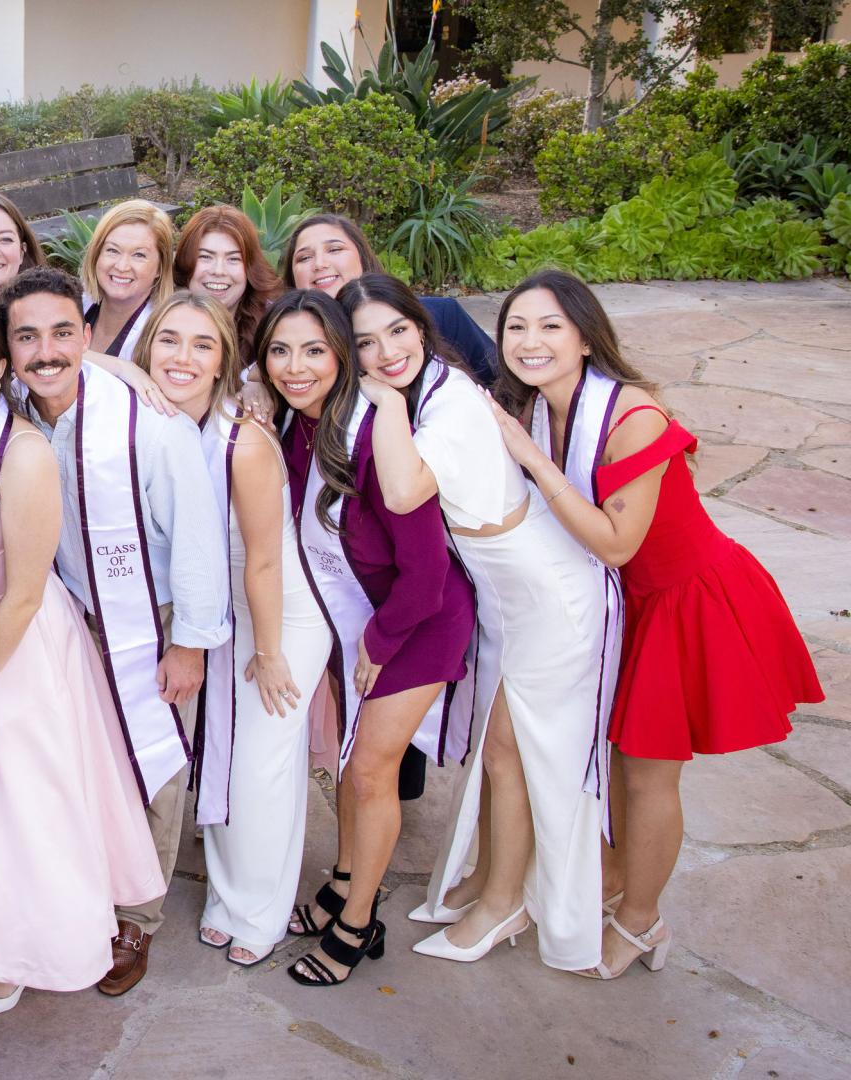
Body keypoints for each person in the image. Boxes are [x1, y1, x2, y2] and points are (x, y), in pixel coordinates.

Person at [487, 270, 821, 979]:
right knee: (605, 760)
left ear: (585, 335)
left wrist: (529, 459)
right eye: (516, 326)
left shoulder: (631, 415)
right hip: (617, 606)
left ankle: (642, 923)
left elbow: (615, 542)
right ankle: (612, 883)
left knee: (646, 776)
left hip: (682, 602)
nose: (531, 341)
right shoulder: (540, 404)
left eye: (550, 326)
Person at [0, 292, 164, 1017]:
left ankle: (18, 952)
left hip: (15, 647)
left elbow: (25, 592)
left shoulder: (26, 452)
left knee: (20, 801)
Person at [338, 274, 610, 972]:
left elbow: (403, 490)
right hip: (504, 591)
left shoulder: (446, 400)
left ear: (422, 326)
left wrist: (383, 402)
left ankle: (506, 903)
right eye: (365, 343)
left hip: (546, 592)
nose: (388, 350)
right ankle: (496, 882)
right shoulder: (426, 389)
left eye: (399, 330)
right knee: (502, 756)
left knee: (512, 754)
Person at [0, 268, 230, 996]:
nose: (47, 350)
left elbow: (198, 540)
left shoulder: (149, 425)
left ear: (87, 336)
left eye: (63, 332)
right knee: (88, 766)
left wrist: (189, 642)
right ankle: (88, 890)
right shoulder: (11, 411)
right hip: (68, 615)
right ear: (6, 350)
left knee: (155, 765)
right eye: (27, 336)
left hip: (149, 618)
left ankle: (139, 914)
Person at [263, 289, 477, 987]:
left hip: (415, 622)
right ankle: (344, 880)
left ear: (342, 356)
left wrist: (376, 644)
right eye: (279, 351)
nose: (296, 367)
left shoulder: (373, 436)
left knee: (369, 771)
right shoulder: (299, 426)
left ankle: (358, 924)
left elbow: (427, 572)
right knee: (355, 765)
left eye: (315, 350)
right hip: (364, 619)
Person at [132, 292, 330, 968]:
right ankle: (227, 896)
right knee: (220, 751)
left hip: (277, 611)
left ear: (223, 362)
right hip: (217, 609)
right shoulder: (145, 419)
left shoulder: (241, 439)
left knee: (261, 765)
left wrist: (271, 653)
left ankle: (261, 912)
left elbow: (268, 559)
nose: (182, 358)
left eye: (201, 345)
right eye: (168, 342)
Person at [279, 215, 498, 385]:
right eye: (304, 257)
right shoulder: (289, 345)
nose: (319, 264)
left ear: (362, 256)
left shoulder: (439, 315)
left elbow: (501, 380)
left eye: (335, 249)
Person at [172, 204, 282, 359]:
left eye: (233, 259)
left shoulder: (274, 330)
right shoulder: (159, 322)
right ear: (185, 262)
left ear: (250, 268)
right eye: (205, 257)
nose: (219, 271)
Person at [78, 199, 174, 359]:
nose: (122, 267)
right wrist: (120, 367)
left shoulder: (165, 334)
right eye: (113, 250)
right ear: (96, 255)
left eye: (139, 255)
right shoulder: (77, 303)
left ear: (160, 267)